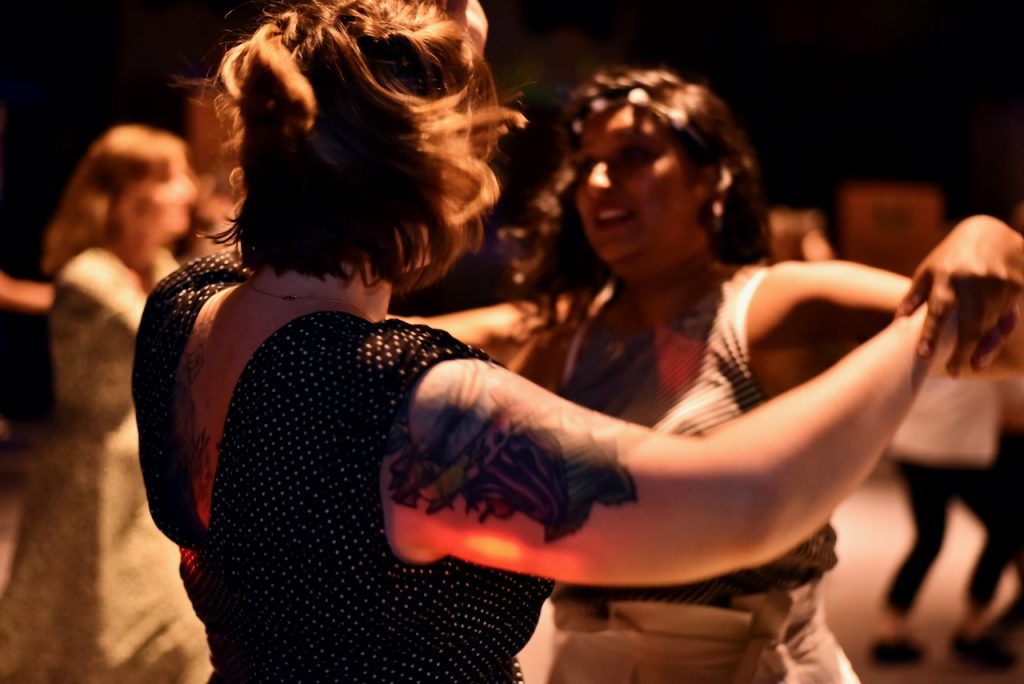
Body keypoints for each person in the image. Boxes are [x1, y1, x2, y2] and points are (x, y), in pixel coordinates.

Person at [129, 2, 1002, 681]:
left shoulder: (182, 311)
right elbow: (747, 500)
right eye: (477, 148)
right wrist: (926, 328)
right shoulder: (407, 397)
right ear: (431, 175)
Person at [426, 66, 1024, 683]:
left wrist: (989, 237)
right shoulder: (560, 331)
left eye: (633, 155)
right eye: (586, 163)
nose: (599, 180)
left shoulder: (772, 305)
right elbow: (387, 342)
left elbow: (1003, 346)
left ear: (711, 177)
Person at [0, 124, 209, 683]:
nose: (188, 191)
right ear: (126, 197)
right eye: (170, 177)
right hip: (94, 481)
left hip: (151, 472)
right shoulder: (88, 277)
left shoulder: (163, 268)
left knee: (168, 625)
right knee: (87, 633)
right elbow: (179, 338)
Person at [872, 378, 1022, 669]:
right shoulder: (992, 350)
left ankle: (890, 630)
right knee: (1006, 529)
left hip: (914, 444)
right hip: (959, 450)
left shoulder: (922, 345)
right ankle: (972, 628)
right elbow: (1017, 395)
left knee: (928, 540)